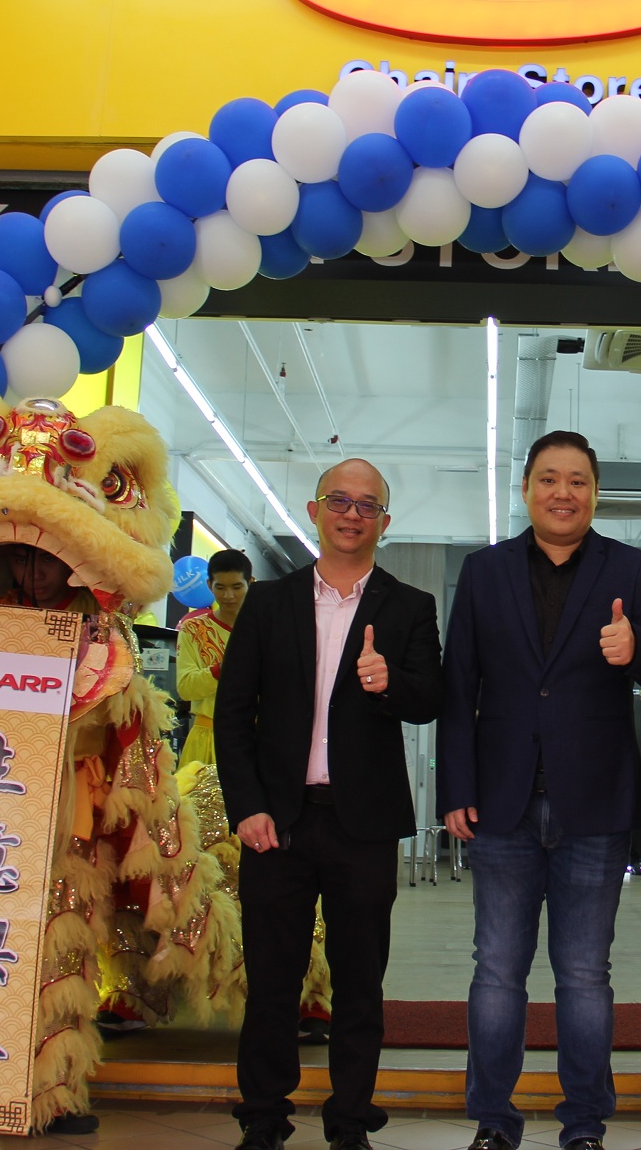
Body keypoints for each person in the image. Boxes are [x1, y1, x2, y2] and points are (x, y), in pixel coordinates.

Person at [439, 430, 641, 1150]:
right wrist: (455, 785)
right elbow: (460, 685)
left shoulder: (634, 568)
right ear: (526, 489)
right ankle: (493, 1119)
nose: (563, 492)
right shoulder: (484, 571)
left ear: (596, 492)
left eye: (578, 480)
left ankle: (584, 1123)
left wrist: (638, 647)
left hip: (595, 802)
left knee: (584, 974)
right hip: (501, 800)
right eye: (549, 478)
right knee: (497, 969)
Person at [215, 459, 444, 1150]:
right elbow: (233, 714)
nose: (352, 513)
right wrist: (247, 805)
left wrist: (389, 680)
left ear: (384, 522)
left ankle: (350, 1118)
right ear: (314, 510)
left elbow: (431, 699)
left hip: (363, 823)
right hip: (275, 821)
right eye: (339, 501)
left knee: (360, 984)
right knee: (273, 980)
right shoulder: (268, 601)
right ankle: (263, 1116)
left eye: (367, 504)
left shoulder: (409, 607)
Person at [176, 548, 253, 766]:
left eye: (237, 587)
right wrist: (223, 668)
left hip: (256, 741)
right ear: (209, 585)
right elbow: (185, 687)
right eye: (221, 587)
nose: (229, 595)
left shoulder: (267, 629)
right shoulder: (193, 629)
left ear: (251, 583)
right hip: (207, 738)